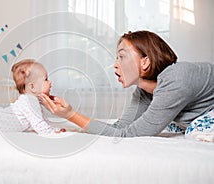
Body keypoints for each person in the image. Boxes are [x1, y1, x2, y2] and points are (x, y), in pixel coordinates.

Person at [39, 30, 214, 139]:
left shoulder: (175, 79)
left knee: (191, 131)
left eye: (121, 56)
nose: (115, 64)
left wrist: (70, 115)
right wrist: (71, 114)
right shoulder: (144, 91)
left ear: (145, 62)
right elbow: (121, 128)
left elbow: (129, 135)